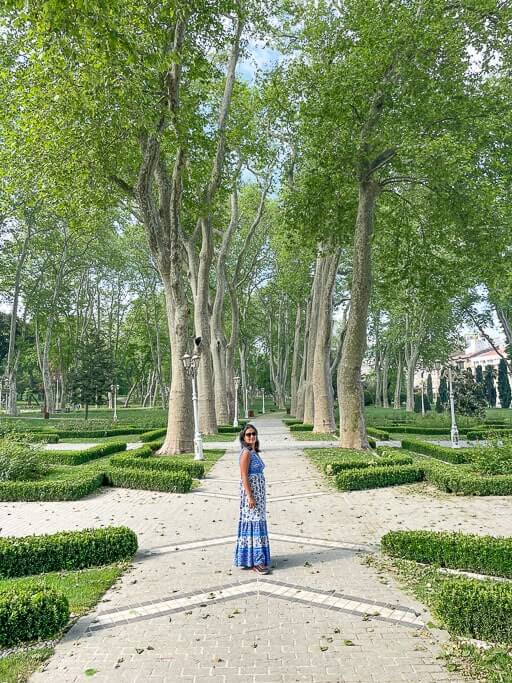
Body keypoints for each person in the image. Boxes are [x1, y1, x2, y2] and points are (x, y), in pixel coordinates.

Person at [234, 423, 271, 574]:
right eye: (248, 434)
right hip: (251, 495)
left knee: (257, 523)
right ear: (243, 437)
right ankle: (257, 561)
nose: (251, 436)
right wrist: (250, 496)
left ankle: (253, 559)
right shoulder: (246, 453)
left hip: (259, 496)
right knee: (254, 523)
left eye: (253, 434)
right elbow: (243, 475)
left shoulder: (254, 451)